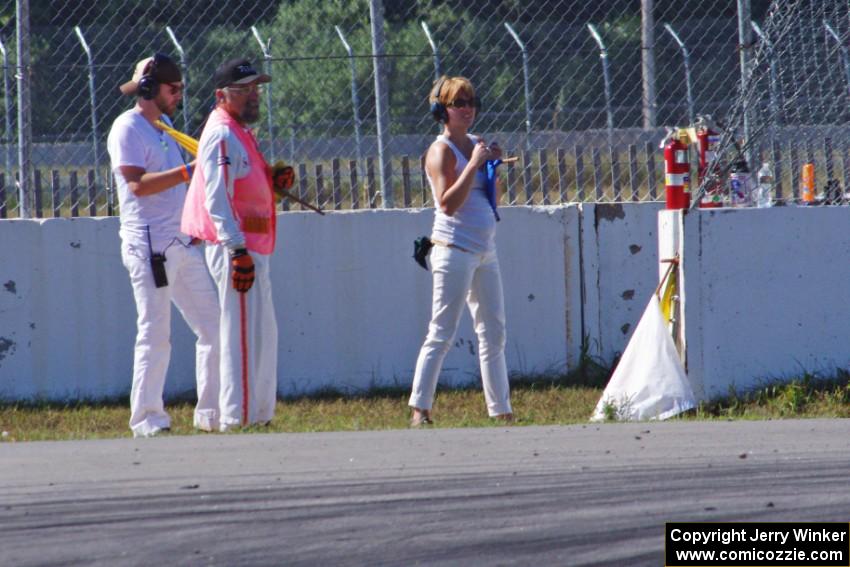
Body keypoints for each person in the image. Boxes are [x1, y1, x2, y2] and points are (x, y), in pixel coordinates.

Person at [107, 53, 221, 438]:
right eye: (174, 89)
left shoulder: (164, 125)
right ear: (151, 90)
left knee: (213, 326)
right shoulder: (127, 129)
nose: (179, 96)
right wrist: (190, 170)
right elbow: (138, 185)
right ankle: (147, 418)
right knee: (156, 333)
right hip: (149, 248)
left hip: (181, 243)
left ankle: (212, 415)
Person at [408, 75, 514, 427]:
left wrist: (492, 168)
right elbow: (447, 203)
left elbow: (491, 199)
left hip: (485, 250)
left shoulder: (476, 142)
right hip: (453, 249)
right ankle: (419, 409)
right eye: (458, 104)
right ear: (442, 110)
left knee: (493, 332)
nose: (467, 110)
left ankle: (501, 409)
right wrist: (472, 164)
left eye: (470, 102)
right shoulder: (441, 151)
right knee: (442, 331)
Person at [181, 58, 279, 431]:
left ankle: (258, 415)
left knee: (261, 334)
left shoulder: (237, 130)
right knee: (241, 336)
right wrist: (236, 249)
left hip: (252, 246)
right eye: (245, 89)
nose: (254, 95)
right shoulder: (222, 133)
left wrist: (272, 180)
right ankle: (237, 417)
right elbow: (216, 197)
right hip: (236, 247)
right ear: (222, 95)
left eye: (256, 88)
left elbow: (242, 181)